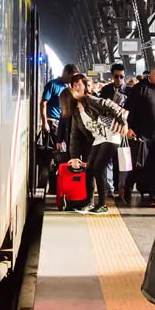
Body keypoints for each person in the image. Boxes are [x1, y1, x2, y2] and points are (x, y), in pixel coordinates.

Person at [61, 73, 128, 215]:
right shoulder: (76, 113)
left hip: (111, 135)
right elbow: (74, 135)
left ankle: (102, 205)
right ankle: (89, 203)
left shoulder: (88, 100)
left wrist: (123, 122)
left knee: (98, 169)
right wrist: (73, 156)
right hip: (99, 138)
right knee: (89, 169)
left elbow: (108, 104)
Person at [124, 65, 155, 207]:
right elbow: (128, 109)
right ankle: (127, 188)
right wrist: (128, 127)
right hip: (141, 133)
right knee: (139, 165)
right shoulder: (140, 88)